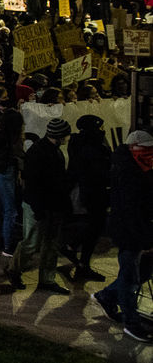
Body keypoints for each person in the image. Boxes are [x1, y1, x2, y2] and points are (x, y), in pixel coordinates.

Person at [92, 131, 153, 343]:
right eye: (145, 149)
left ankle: (107, 296)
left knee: (140, 272)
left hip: (136, 230)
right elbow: (131, 211)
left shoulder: (136, 167)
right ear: (134, 148)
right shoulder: (127, 172)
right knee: (130, 278)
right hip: (130, 233)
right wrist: (145, 239)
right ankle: (131, 323)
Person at [7, 117, 74, 294]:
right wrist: (38, 210)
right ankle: (14, 270)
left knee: (51, 244)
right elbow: (33, 185)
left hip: (52, 205)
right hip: (39, 206)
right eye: (66, 135)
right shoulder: (39, 153)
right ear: (59, 136)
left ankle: (47, 278)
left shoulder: (51, 150)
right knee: (32, 242)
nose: (67, 138)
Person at [62, 114, 110, 282]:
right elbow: (98, 171)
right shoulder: (92, 147)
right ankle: (78, 257)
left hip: (88, 191)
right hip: (92, 192)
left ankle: (76, 253)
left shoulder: (80, 143)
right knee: (95, 225)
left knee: (93, 225)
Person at [0, 108, 24, 258]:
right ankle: (8, 246)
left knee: (3, 206)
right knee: (10, 210)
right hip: (3, 173)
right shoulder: (4, 138)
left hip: (0, 172)